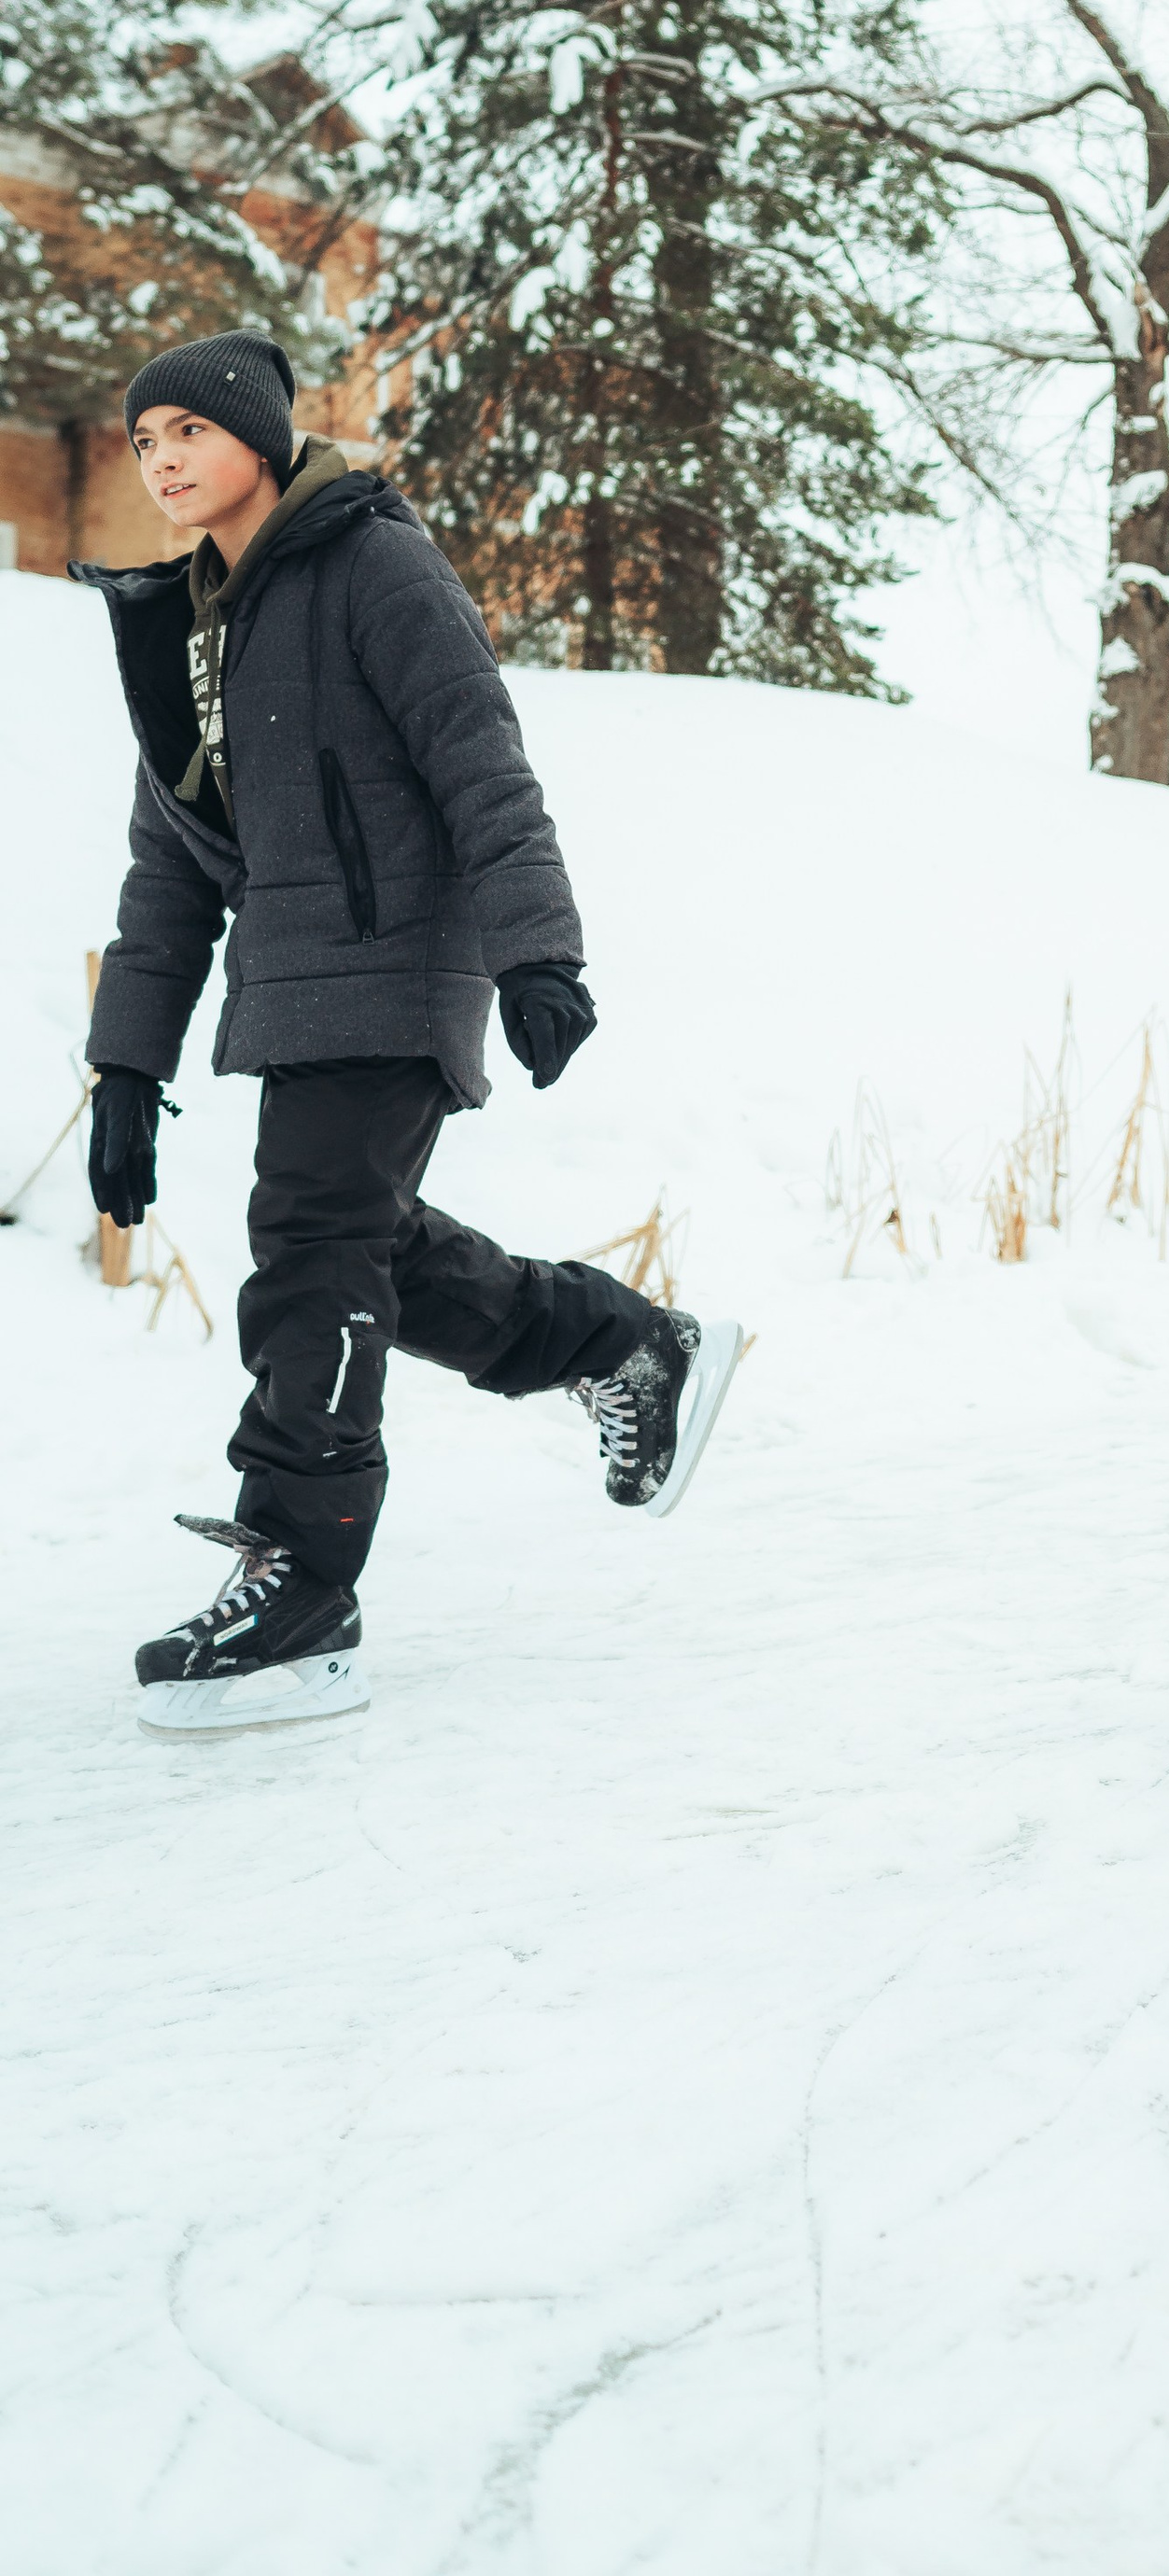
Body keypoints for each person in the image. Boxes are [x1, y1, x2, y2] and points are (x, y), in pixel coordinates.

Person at [76, 329, 745, 1737]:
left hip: (399, 958)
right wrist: (127, 1060)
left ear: (259, 432)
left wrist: (538, 954)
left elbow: (479, 758)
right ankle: (624, 1345)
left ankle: (303, 1577)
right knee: (361, 1245)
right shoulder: (187, 625)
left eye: (189, 429)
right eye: (145, 442)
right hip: (289, 973)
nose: (165, 461)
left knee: (315, 1247)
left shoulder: (375, 561)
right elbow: (170, 865)